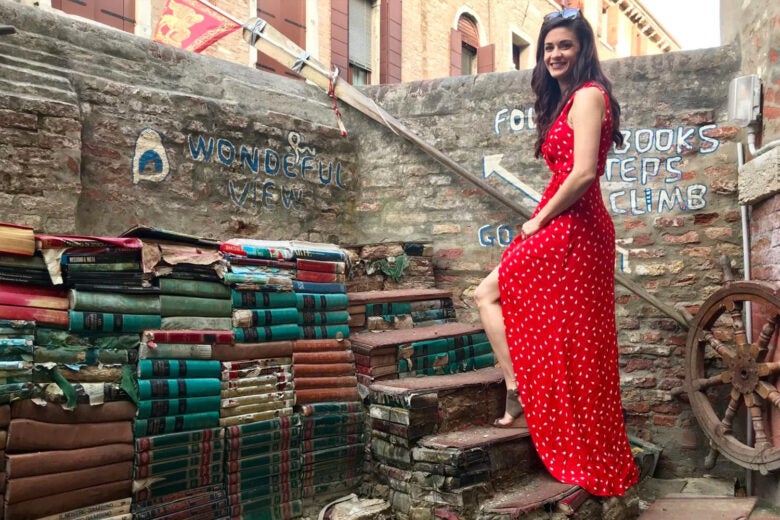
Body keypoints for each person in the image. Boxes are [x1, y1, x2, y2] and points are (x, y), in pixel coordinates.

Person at [474, 7, 639, 497]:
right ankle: (519, 385)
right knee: (536, 314)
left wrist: (540, 219)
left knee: (510, 303)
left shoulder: (589, 95)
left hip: (575, 226)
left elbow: (585, 172)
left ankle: (524, 392)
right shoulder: (567, 100)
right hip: (564, 221)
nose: (554, 54)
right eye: (547, 47)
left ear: (582, 49)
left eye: (564, 45)